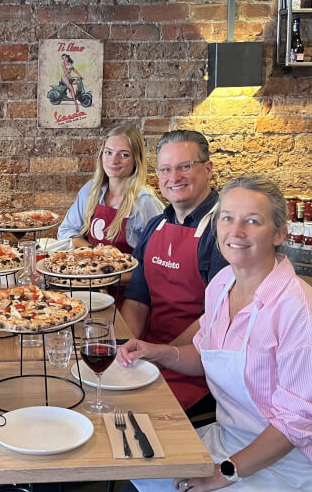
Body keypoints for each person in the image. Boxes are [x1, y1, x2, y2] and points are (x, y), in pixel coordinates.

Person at [118, 175, 312, 492]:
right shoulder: (222, 284)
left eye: (253, 221)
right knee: (135, 476)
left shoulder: (299, 313)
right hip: (230, 438)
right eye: (227, 218)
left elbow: (295, 425)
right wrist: (158, 352)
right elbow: (207, 355)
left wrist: (224, 474)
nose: (236, 231)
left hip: (292, 463)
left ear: (279, 233)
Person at [121, 129, 228, 422]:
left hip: (197, 368)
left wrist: (163, 354)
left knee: (138, 424)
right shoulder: (156, 225)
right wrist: (124, 352)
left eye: (185, 166)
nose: (174, 177)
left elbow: (217, 318)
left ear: (207, 169)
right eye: (166, 169)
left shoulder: (224, 231)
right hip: (151, 357)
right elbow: (137, 298)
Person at [58, 124, 164, 253]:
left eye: (124, 155)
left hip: (128, 272)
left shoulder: (146, 201)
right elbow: (66, 231)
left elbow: (160, 252)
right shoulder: (91, 190)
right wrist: (96, 253)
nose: (113, 161)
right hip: (92, 268)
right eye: (108, 152)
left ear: (137, 160)